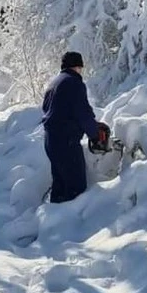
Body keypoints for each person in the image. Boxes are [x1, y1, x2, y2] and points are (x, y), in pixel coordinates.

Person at [41, 51, 108, 203]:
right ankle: (73, 225)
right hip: (67, 142)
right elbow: (82, 113)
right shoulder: (74, 83)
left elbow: (49, 110)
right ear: (77, 66)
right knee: (75, 189)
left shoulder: (54, 83)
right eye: (80, 68)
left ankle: (54, 221)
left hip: (50, 140)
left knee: (59, 185)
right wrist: (95, 134)